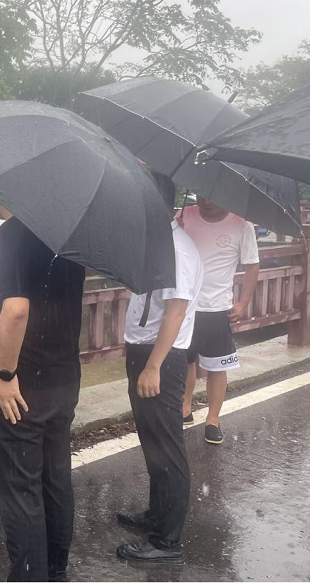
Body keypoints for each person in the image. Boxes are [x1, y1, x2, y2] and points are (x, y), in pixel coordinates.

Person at [0, 194, 86, 581]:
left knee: (21, 487)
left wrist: (5, 374)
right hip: (64, 376)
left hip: (25, 382)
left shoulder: (14, 233)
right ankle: (55, 569)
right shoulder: (68, 234)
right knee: (56, 478)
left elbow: (16, 309)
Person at [116, 174, 203, 565]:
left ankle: (167, 542)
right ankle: (156, 514)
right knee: (152, 440)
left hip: (161, 357)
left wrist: (153, 365)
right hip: (145, 352)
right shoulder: (159, 243)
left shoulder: (178, 249)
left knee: (167, 445)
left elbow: (176, 311)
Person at [178, 196, 260, 444]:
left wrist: (243, 302)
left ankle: (213, 419)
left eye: (213, 197)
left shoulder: (242, 224)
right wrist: (175, 230)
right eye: (202, 194)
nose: (206, 201)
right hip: (183, 304)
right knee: (185, 359)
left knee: (217, 365)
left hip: (217, 307)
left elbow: (252, 265)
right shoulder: (183, 216)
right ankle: (185, 406)